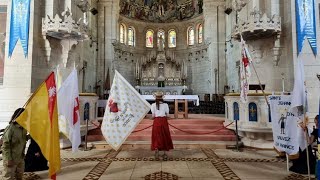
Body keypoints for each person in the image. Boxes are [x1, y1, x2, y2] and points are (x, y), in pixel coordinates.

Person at [2, 108, 28, 180]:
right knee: (9, 177)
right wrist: (8, 159)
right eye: (25, 116)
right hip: (11, 158)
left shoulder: (24, 128)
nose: (27, 118)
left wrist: (30, 136)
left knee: (19, 176)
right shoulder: (11, 128)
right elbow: (5, 145)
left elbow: (23, 139)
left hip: (20, 157)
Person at [151, 91, 173, 159]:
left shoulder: (153, 105)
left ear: (156, 98)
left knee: (156, 136)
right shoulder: (165, 105)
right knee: (164, 135)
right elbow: (168, 115)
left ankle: (156, 152)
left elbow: (152, 116)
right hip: (163, 121)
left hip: (156, 121)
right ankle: (165, 153)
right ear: (162, 97)